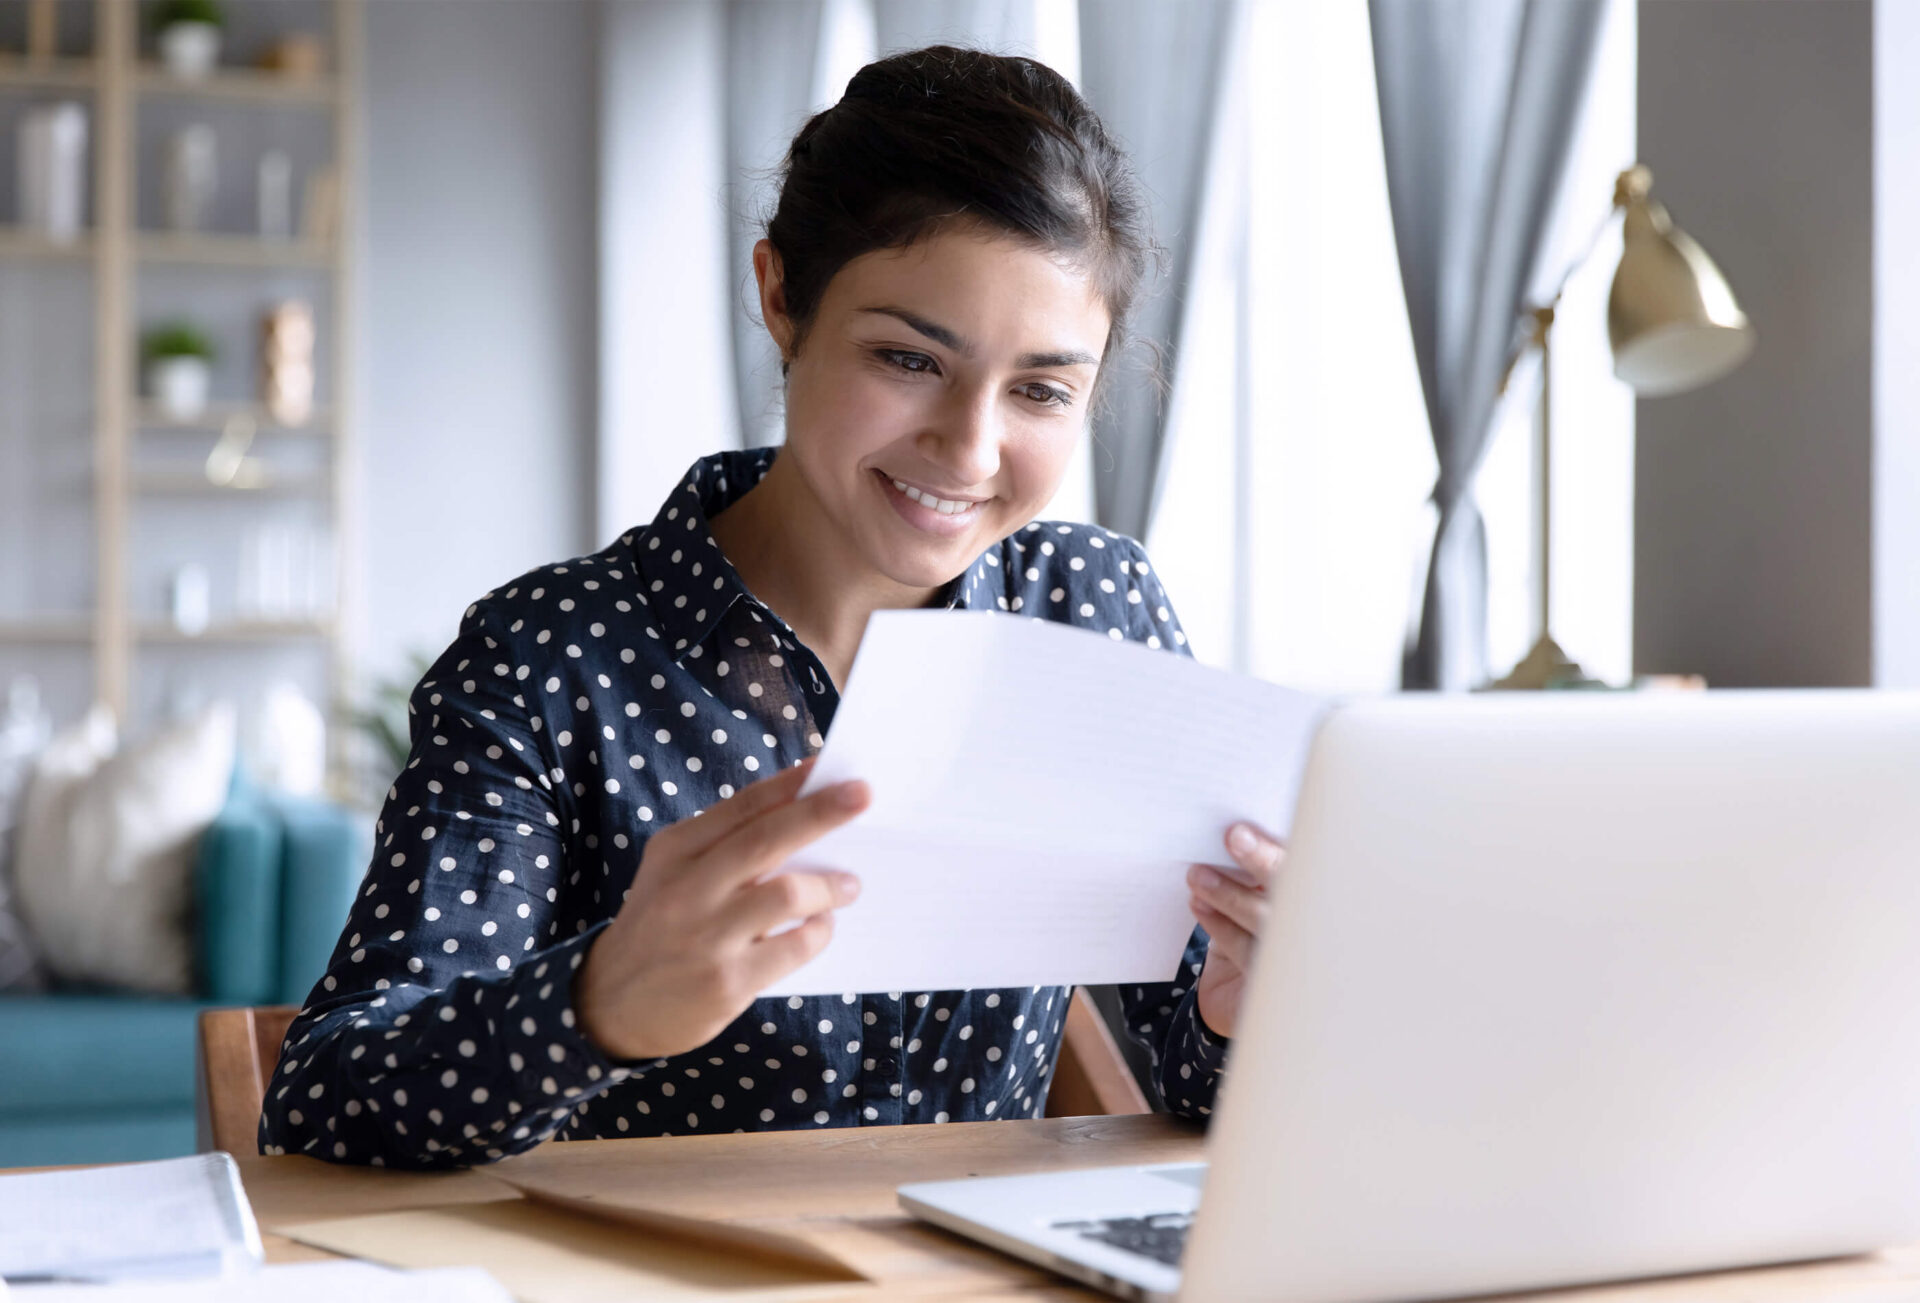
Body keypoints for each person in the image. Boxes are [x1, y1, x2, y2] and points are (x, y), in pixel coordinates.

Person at [261, 45, 1284, 1169]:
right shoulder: (548, 658)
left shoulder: (1092, 609)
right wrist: (590, 1007)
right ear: (781, 297)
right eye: (908, 357)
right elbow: (321, 1101)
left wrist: (1251, 1009)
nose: (970, 447)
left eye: (1042, 389)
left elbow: (1193, 1073)